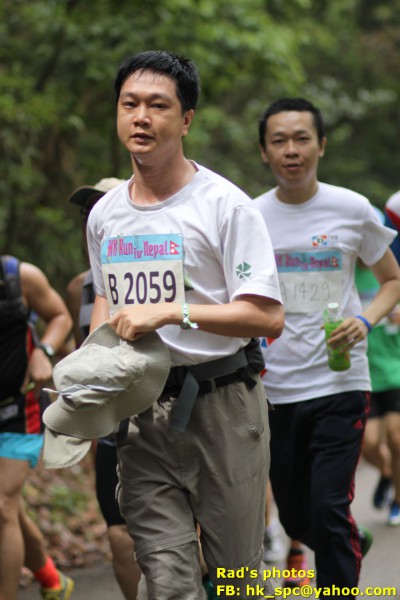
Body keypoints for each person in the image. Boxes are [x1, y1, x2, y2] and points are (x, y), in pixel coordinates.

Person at [86, 50, 284, 599]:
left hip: (223, 406)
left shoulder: (226, 206)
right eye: (130, 104)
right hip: (141, 414)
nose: (141, 117)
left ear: (186, 119)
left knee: (237, 579)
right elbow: (106, 299)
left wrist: (175, 312)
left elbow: (267, 316)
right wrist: (90, 368)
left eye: (158, 105)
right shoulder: (105, 215)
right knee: (167, 582)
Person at [253, 97, 400, 597]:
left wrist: (365, 320)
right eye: (279, 141)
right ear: (264, 152)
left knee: (329, 507)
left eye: (302, 139)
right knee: (297, 515)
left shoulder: (351, 209)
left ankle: (339, 572)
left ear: (321, 145)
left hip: (340, 382)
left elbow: (392, 281)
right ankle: (347, 541)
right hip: (274, 390)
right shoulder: (250, 216)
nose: (291, 150)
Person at [66, 178, 141, 600]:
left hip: (172, 420)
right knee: (118, 534)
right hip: (113, 430)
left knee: (193, 535)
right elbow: (82, 350)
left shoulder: (164, 274)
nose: (91, 221)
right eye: (86, 214)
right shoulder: (79, 287)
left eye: (102, 209)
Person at [0, 256, 73, 600]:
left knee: (2, 506)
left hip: (17, 410)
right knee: (9, 507)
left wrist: (44, 349)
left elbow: (61, 316)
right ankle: (48, 575)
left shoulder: (18, 277)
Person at [356, 206, 400, 526]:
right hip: (363, 372)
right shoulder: (344, 273)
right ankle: (388, 474)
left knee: (397, 439)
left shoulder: (390, 271)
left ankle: (397, 501)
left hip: (395, 370)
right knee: (369, 444)